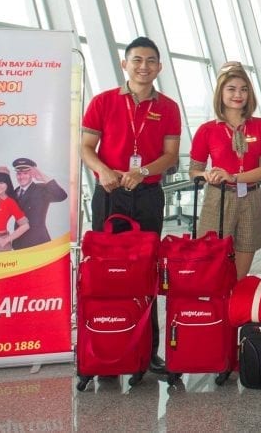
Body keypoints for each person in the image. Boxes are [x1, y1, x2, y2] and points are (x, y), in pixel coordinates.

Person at [80, 36, 182, 374]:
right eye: (137, 60)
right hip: (109, 194)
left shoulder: (167, 107)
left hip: (148, 194)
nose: (144, 66)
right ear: (125, 64)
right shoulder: (103, 101)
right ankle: (106, 343)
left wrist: (142, 171)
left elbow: (169, 156)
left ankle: (148, 350)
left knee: (146, 270)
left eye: (151, 61)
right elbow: (85, 147)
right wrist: (105, 171)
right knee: (106, 271)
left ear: (159, 67)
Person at [188, 62, 261, 278]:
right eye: (232, 89)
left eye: (244, 89)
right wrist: (206, 175)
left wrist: (234, 177)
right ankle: (214, 309)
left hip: (251, 197)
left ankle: (233, 307)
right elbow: (194, 171)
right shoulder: (207, 130)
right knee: (212, 264)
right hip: (218, 199)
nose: (239, 94)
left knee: (242, 265)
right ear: (220, 92)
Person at [9, 157, 68, 249]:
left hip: (38, 242)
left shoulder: (41, 189)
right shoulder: (15, 192)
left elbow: (61, 196)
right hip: (19, 242)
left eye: (25, 173)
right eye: (19, 173)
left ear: (32, 174)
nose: (21, 177)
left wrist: (43, 177)